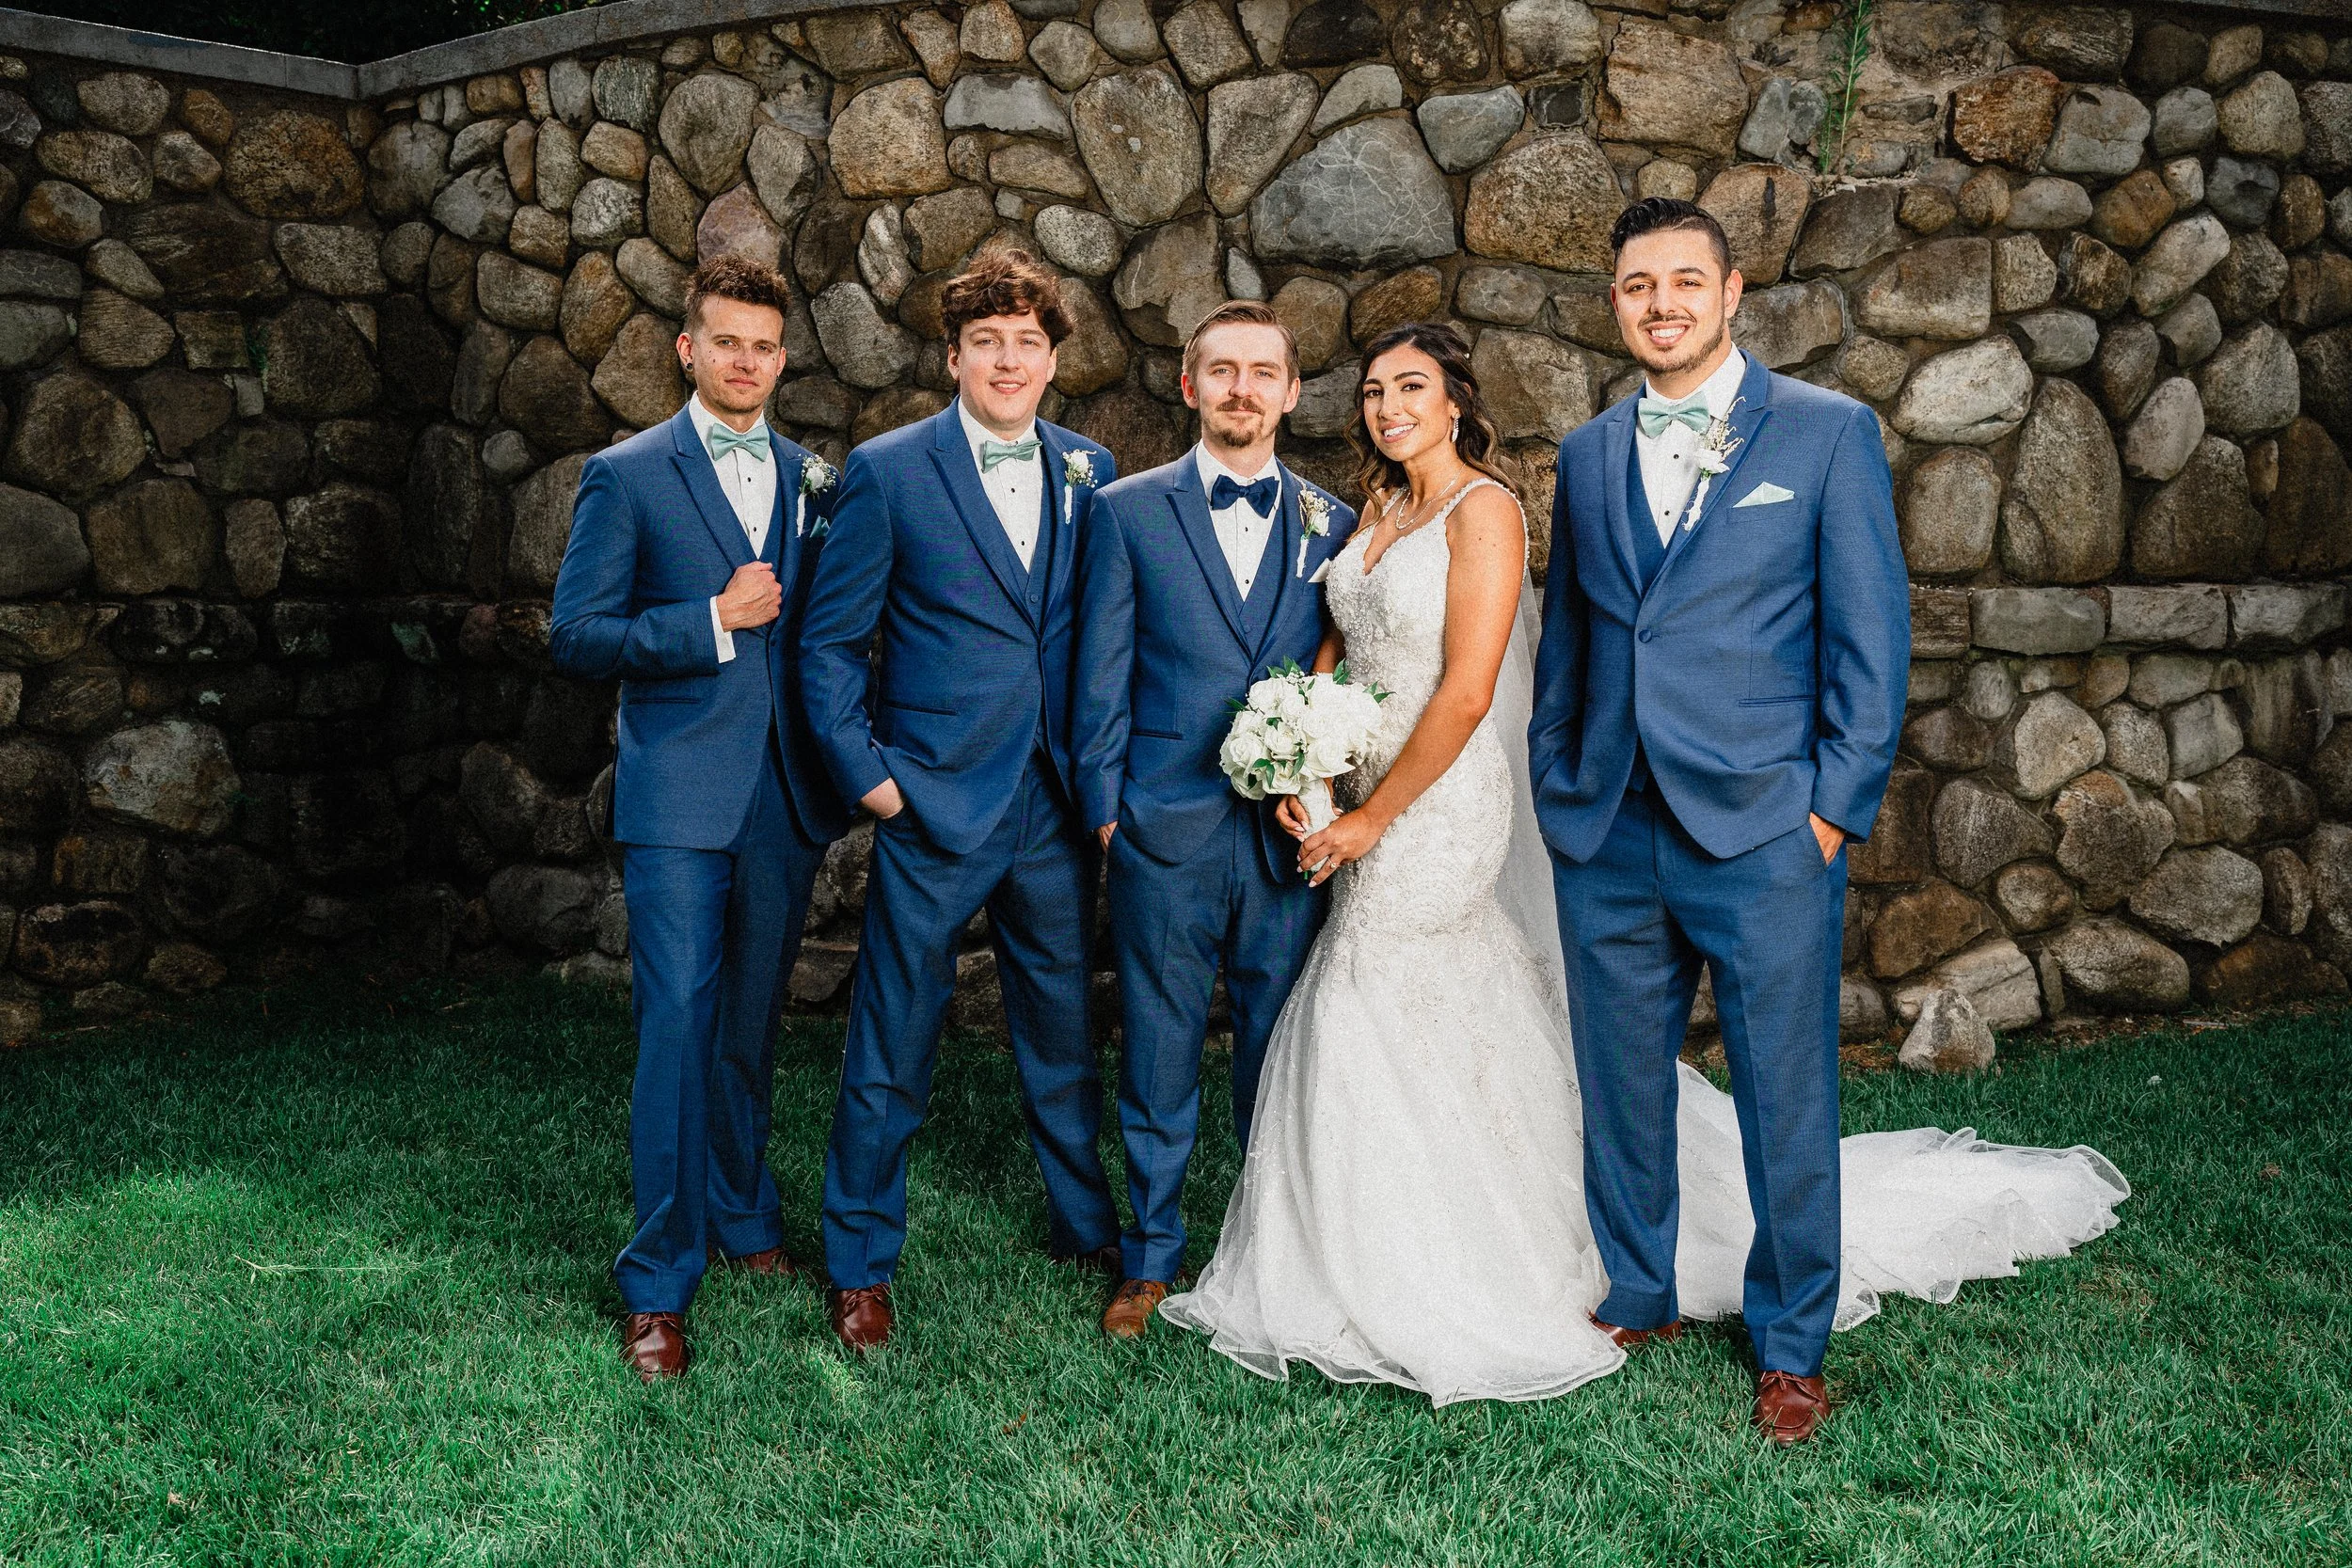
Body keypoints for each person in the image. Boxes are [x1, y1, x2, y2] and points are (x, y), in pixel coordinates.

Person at [1159, 277, 2128, 1430]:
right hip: (1600, 820)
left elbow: (1854, 635)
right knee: (1608, 1078)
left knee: (1780, 1091)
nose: (1383, 406)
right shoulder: (1566, 459)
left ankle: (1789, 1342)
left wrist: (1829, 810)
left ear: (1724, 293)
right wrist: (1316, 766)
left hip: (1733, 821)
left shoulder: (1811, 436)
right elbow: (1539, 639)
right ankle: (1630, 1284)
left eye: (1408, 386)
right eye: (1371, 390)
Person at [799, 250, 1121, 1354]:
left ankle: (1086, 1227)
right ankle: (857, 1262)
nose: (1008, 359)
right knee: (892, 1034)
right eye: (987, 341)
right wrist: (873, 777)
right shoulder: (889, 472)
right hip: (931, 800)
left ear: (1051, 358)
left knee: (1064, 1030)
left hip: (1050, 801)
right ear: (953, 356)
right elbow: (829, 643)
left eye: (1028, 341)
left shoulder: (1090, 469)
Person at [549, 254, 850, 1382]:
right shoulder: (624, 475)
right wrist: (706, 621)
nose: (746, 361)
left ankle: (740, 1210)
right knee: (677, 1024)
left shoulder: (812, 476)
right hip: (677, 796)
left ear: (782, 355)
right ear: (688, 348)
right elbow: (575, 635)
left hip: (782, 793)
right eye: (726, 341)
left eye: (765, 345)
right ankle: (658, 1281)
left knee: (751, 1021)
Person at [1071, 301, 1358, 1338]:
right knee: (1156, 1043)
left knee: (1279, 1050)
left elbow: (1345, 670)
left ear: (1291, 391)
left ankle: (1265, 1251)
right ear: (1189, 387)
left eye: (1263, 371)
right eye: (1221, 370)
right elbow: (1095, 675)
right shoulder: (1125, 511)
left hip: (1290, 842)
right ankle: (1149, 1256)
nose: (1243, 388)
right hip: (1163, 828)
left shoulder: (1335, 523)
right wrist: (1109, 816)